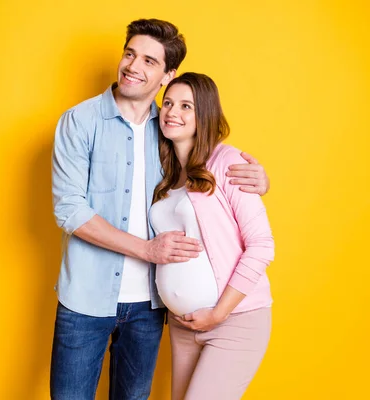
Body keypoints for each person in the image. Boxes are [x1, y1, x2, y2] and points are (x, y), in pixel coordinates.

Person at [51, 19, 270, 399]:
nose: (134, 66)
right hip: (86, 296)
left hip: (149, 308)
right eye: (130, 53)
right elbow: (69, 209)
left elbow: (213, 174)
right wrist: (146, 250)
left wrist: (259, 180)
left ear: (167, 74)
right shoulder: (80, 121)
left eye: (149, 61)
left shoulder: (169, 132)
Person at [150, 72, 274, 400]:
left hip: (234, 321)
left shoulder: (227, 162)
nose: (172, 112)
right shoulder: (165, 173)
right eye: (169, 103)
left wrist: (218, 314)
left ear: (204, 114)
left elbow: (262, 246)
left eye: (186, 106)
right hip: (182, 325)